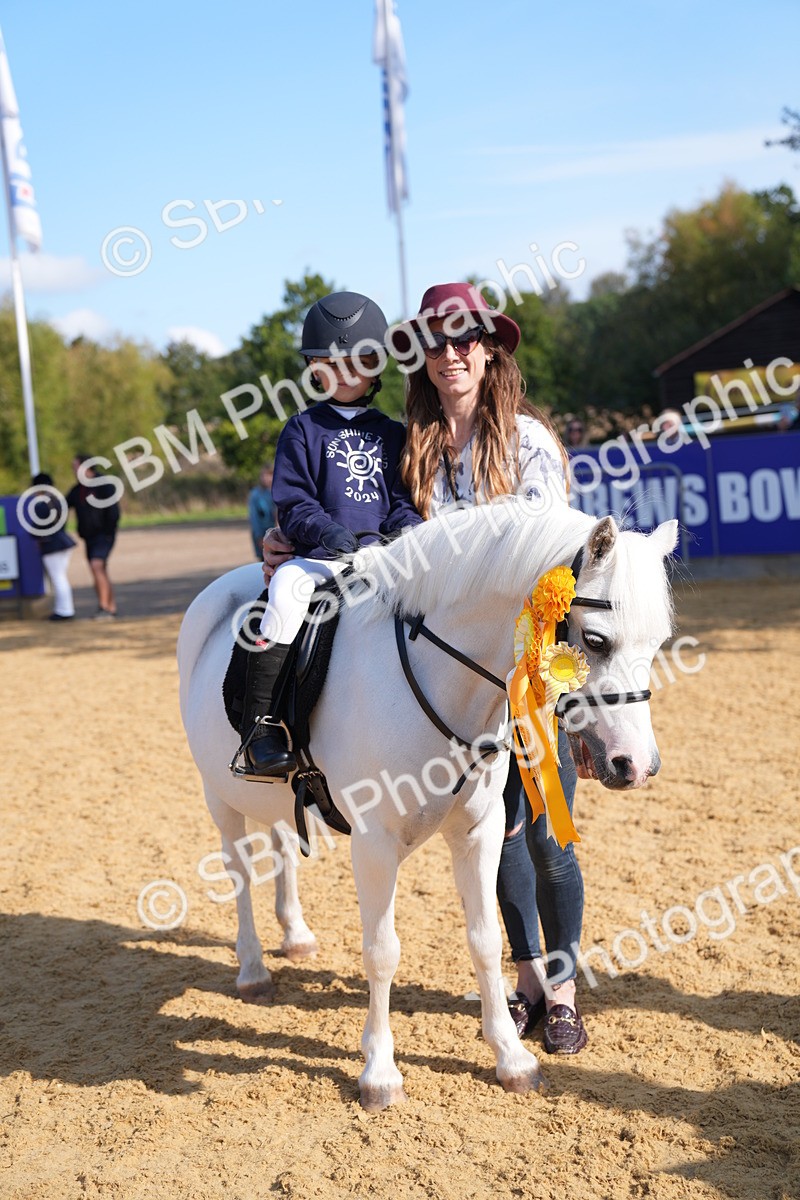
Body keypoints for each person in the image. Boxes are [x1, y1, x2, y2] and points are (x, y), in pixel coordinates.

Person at [264, 282, 588, 1054]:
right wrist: (310, 543)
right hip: (463, 671)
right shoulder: (417, 441)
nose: (450, 355)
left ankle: (566, 992)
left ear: (488, 349)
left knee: (549, 831)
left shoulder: (530, 441)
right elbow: (401, 532)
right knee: (496, 831)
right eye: (436, 344)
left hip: (532, 657)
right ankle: (525, 982)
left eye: (464, 341)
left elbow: (551, 554)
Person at [238, 291, 421, 777]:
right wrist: (328, 532)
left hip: (383, 559)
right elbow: (294, 501)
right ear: (315, 367)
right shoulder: (301, 429)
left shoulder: (393, 433)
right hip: (319, 558)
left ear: (377, 363)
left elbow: (404, 499)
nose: (346, 372)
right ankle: (260, 727)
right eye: (331, 362)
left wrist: (403, 534)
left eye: (359, 360)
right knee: (285, 590)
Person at [66, 455, 121, 620]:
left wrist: (107, 531)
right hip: (89, 537)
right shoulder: (78, 489)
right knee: (99, 569)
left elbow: (113, 512)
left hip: (103, 535)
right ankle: (110, 607)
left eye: (75, 467)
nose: (73, 471)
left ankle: (104, 607)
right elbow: (63, 505)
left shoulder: (103, 485)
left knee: (96, 565)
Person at [29, 472, 76, 621]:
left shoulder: (42, 504)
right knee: (61, 577)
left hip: (51, 544)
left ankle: (64, 610)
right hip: (63, 541)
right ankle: (62, 608)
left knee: (58, 578)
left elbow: (37, 528)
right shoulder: (58, 501)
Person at [248, 465, 276, 560]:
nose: (266, 478)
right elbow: (254, 517)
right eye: (263, 475)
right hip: (263, 532)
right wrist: (259, 536)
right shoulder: (255, 494)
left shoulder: (280, 491)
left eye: (269, 475)